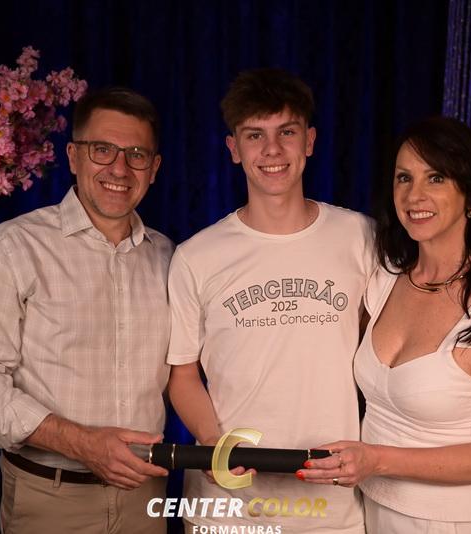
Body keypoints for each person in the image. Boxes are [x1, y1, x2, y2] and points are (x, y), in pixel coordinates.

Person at [298, 116, 471, 533]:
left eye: (436, 177)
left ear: (470, 194)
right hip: (373, 510)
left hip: (456, 523)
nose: (414, 195)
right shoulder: (384, 281)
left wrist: (376, 459)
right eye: (404, 178)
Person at [0, 87, 173, 534]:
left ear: (154, 168)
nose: (119, 169)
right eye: (102, 150)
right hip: (49, 498)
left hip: (145, 498)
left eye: (136, 155)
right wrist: (81, 443)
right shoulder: (13, 247)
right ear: (73, 156)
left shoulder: (169, 258)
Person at [166, 68, 374, 533]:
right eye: (254, 135)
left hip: (331, 507)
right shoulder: (196, 256)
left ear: (310, 142)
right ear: (234, 149)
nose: (272, 150)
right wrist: (213, 443)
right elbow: (182, 374)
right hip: (228, 508)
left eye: (287, 132)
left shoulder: (360, 238)